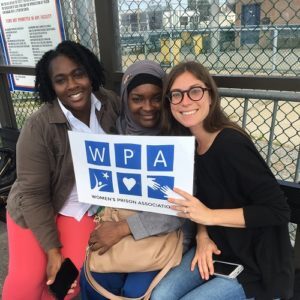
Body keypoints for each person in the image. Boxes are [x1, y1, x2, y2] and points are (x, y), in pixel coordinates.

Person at [151, 61, 294, 300]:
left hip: (257, 263)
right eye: (176, 95)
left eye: (195, 91)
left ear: (210, 96)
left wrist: (209, 216)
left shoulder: (231, 145)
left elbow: (278, 211)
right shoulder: (188, 145)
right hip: (217, 247)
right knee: (161, 296)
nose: (185, 101)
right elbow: (199, 204)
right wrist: (202, 235)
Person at [3, 40, 120, 300]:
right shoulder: (39, 125)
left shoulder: (109, 104)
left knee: (70, 280)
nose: (72, 85)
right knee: (28, 280)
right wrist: (52, 250)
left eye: (78, 73)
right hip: (35, 207)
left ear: (90, 72)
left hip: (80, 207)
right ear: (51, 86)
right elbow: (32, 194)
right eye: (61, 80)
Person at [79, 60, 185, 299]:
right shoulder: (114, 134)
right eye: (137, 98)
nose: (148, 107)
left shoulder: (179, 138)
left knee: (135, 291)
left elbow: (182, 209)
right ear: (125, 99)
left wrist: (124, 229)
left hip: (162, 233)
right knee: (93, 278)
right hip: (119, 224)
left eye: (156, 97)